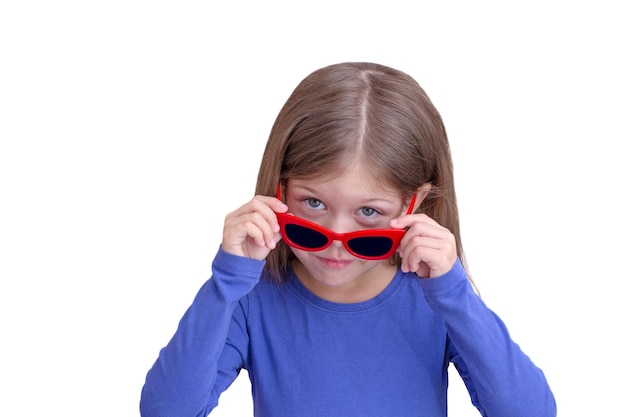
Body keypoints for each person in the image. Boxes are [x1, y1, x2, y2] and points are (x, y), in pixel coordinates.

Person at [140, 62, 556, 417]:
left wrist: (453, 292)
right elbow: (166, 409)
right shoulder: (251, 298)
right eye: (314, 203)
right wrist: (227, 280)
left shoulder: (436, 299)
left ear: (416, 204)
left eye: (369, 212)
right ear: (279, 188)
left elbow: (530, 411)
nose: (337, 239)